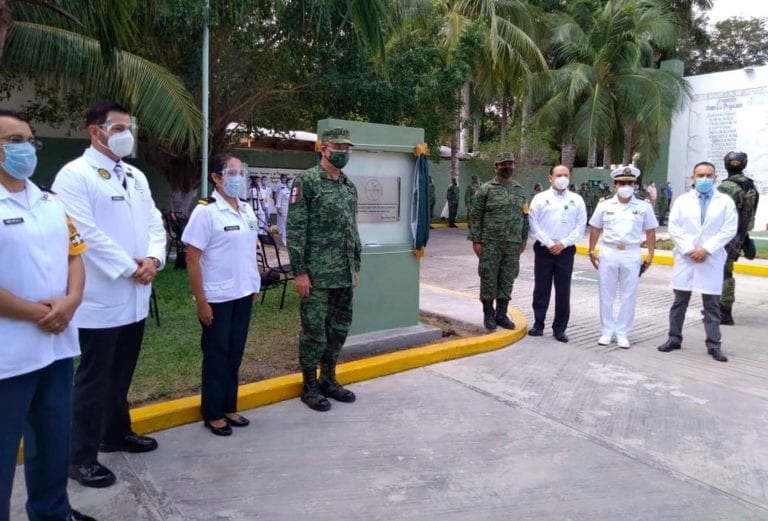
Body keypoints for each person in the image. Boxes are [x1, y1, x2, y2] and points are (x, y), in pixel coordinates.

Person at [53, 101, 166, 488]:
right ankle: (79, 456)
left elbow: (154, 220)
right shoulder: (75, 175)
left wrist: (153, 258)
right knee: (93, 379)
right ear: (94, 131)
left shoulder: (134, 176)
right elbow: (83, 233)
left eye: (128, 127)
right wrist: (130, 267)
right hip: (100, 297)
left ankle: (115, 433)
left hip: (135, 297)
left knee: (120, 375)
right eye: (118, 128)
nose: (126, 134)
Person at [0, 110, 95, 521]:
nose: (25, 148)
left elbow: (75, 256)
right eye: (13, 140)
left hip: (55, 347)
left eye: (28, 139)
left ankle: (53, 512)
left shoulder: (49, 201)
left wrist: (71, 301)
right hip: (8, 354)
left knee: (53, 439)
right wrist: (35, 312)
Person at [182, 153, 260, 436]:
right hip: (217, 297)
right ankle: (213, 412)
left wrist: (254, 286)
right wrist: (201, 302)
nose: (240, 178)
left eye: (242, 172)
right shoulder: (206, 211)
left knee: (235, 353)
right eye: (233, 173)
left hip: (242, 294)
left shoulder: (246, 209)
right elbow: (192, 258)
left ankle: (229, 406)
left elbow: (249, 251)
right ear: (216, 177)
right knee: (217, 354)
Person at [287, 127, 361, 412]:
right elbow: (295, 230)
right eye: (338, 147)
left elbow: (352, 230)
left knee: (338, 328)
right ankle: (309, 385)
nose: (344, 152)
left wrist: (355, 265)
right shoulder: (307, 182)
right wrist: (300, 272)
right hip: (316, 276)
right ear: (324, 149)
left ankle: (328, 378)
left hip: (342, 273)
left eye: (347, 148)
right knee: (314, 330)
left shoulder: (348, 186)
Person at [657, 161, 737, 362]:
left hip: (711, 258)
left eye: (708, 175)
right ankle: (674, 338)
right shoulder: (682, 201)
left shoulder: (725, 202)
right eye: (700, 175)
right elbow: (674, 227)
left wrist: (706, 249)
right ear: (693, 178)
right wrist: (690, 249)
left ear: (715, 178)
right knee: (679, 302)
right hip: (687, 257)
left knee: (711, 305)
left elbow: (729, 229)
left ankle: (714, 344)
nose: (704, 179)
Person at [588, 166, 658, 348]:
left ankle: (623, 333)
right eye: (622, 183)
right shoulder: (604, 205)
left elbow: (651, 232)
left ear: (635, 185)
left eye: (629, 183)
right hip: (609, 251)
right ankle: (606, 331)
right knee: (606, 294)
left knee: (628, 295)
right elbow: (595, 228)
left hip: (631, 252)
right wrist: (591, 251)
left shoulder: (643, 207)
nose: (626, 186)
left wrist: (650, 255)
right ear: (615, 186)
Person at [468, 152, 528, 331]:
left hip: (512, 243)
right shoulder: (486, 189)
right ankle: (489, 314)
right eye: (503, 164)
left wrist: (523, 240)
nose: (507, 167)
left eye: (510, 164)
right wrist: (476, 240)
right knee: (488, 278)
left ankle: (502, 314)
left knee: (507, 278)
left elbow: (525, 217)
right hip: (490, 242)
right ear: (496, 167)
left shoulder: (520, 190)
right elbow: (475, 215)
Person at [527, 165, 587, 342]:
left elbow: (580, 227)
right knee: (541, 288)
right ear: (550, 178)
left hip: (565, 250)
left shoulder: (577, 200)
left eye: (566, 175)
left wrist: (563, 243)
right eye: (559, 175)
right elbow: (533, 224)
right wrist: (549, 243)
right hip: (544, 249)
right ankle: (538, 324)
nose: (563, 178)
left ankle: (559, 329)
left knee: (563, 290)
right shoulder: (539, 198)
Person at [717, 151, 760, 325]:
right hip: (740, 234)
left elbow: (719, 214)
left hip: (726, 235)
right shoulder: (750, 185)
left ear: (726, 164)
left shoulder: (726, 187)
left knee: (724, 273)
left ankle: (724, 312)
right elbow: (748, 215)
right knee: (726, 271)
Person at [275, 176, 290, 246]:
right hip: (285, 210)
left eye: (292, 182)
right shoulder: (283, 191)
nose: (290, 184)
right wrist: (279, 209)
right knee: (286, 225)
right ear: (286, 184)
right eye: (289, 182)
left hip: (292, 211)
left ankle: (290, 239)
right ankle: (284, 241)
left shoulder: (294, 191)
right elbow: (278, 201)